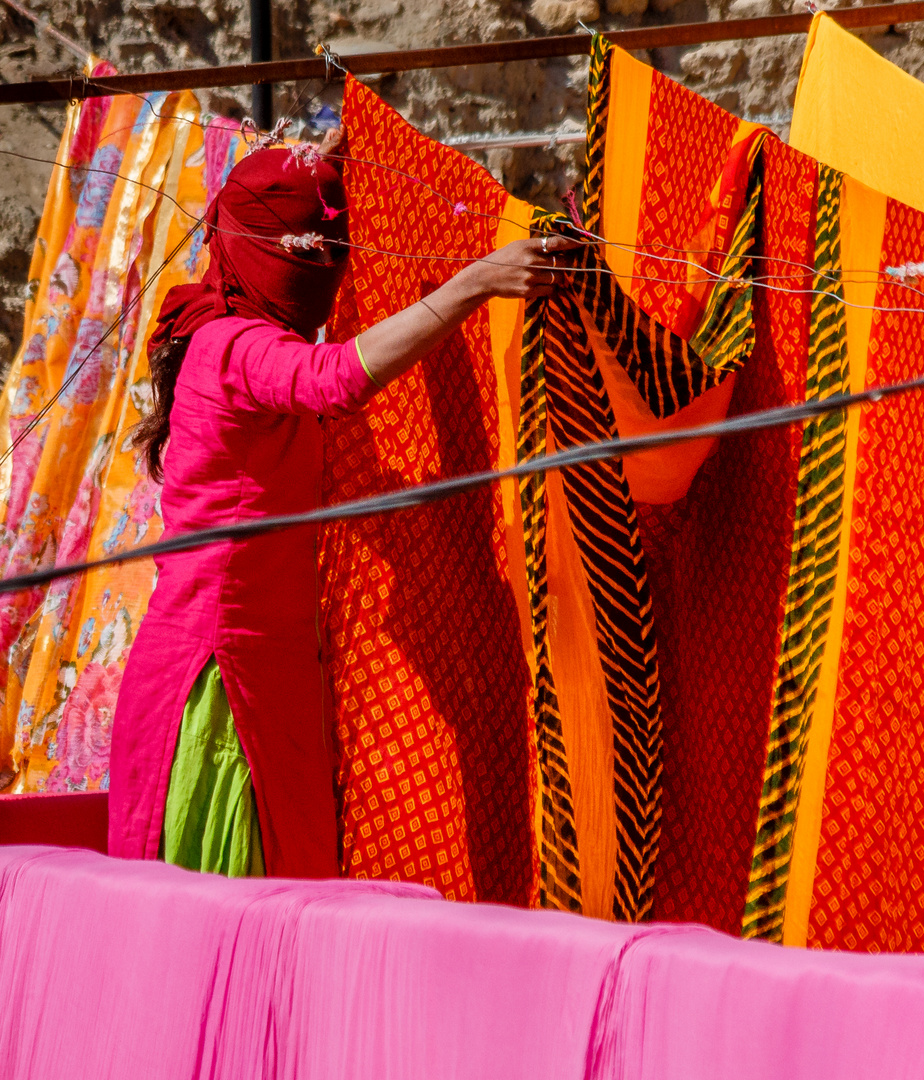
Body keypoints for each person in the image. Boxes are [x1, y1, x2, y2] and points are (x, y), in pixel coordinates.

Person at [107, 130, 575, 878]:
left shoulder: (236, 331)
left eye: (334, 253)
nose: (323, 269)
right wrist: (476, 282)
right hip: (218, 676)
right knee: (232, 902)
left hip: (277, 666)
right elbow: (333, 381)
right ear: (252, 245)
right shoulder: (232, 344)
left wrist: (318, 170)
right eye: (302, 251)